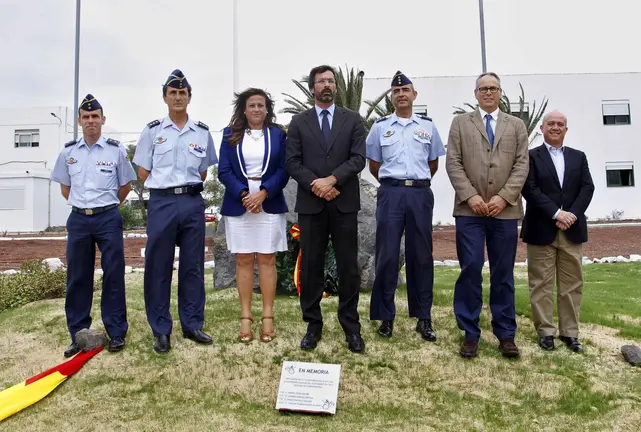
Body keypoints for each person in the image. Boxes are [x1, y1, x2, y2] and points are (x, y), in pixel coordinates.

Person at [133, 69, 218, 354]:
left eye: (183, 93)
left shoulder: (203, 132)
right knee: (158, 266)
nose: (178, 97)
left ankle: (192, 324)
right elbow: (143, 171)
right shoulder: (153, 131)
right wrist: (166, 189)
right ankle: (161, 330)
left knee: (192, 266)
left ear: (189, 97)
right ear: (165, 97)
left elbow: (203, 172)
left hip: (192, 201)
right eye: (173, 93)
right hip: (162, 202)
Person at [445, 72, 529, 359]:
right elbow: (453, 162)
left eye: (493, 88)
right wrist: (472, 196)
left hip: (504, 212)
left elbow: (521, 165)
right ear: (476, 93)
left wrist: (504, 197)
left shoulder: (516, 125)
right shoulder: (460, 123)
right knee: (470, 268)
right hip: (470, 211)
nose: (488, 92)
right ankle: (470, 332)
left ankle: (506, 333)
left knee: (502, 273)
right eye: (483, 88)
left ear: (500, 92)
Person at [285, 64, 366, 353]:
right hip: (311, 204)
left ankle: (351, 327)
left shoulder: (353, 120)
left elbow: (358, 159)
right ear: (313, 88)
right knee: (310, 268)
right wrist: (316, 185)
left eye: (331, 81)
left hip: (344, 203)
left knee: (348, 267)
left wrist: (332, 181)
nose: (327, 85)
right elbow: (292, 162)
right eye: (321, 82)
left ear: (336, 86)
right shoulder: (298, 122)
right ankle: (313, 325)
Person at [50, 94, 137, 357]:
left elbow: (126, 186)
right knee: (78, 276)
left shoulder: (115, 150)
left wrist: (107, 206)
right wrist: (84, 206)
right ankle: (78, 333)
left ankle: (117, 332)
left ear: (103, 119)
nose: (91, 121)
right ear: (79, 121)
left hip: (108, 217)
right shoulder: (68, 153)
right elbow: (66, 188)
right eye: (86, 117)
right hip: (78, 219)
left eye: (95, 116)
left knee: (113, 273)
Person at [366, 71, 446, 341]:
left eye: (406, 90)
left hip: (420, 195)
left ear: (414, 95)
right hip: (391, 194)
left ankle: (424, 318)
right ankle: (385, 317)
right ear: (391, 97)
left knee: (421, 256)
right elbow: (374, 165)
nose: (401, 94)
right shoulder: (380, 127)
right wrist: (396, 185)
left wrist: (415, 184)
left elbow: (432, 164)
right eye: (396, 91)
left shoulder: (428, 127)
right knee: (387, 255)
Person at [217, 88, 289, 343]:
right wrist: (245, 194)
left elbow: (284, 168)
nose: (257, 109)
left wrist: (264, 193)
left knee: (267, 258)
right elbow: (223, 171)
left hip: (269, 202)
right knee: (244, 259)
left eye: (261, 105)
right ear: (244, 110)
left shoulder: (278, 134)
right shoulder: (230, 135)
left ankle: (268, 317)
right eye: (252, 105)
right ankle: (245, 317)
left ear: (267, 109)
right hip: (240, 204)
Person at [521, 111, 594, 353]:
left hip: (572, 229)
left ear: (566, 129)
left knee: (572, 284)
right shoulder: (530, 157)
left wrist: (571, 214)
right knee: (541, 283)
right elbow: (529, 189)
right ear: (541, 128)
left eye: (560, 124)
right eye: (550, 124)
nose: (555, 127)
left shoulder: (578, 157)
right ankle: (546, 332)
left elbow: (587, 187)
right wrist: (556, 213)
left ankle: (570, 333)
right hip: (542, 228)